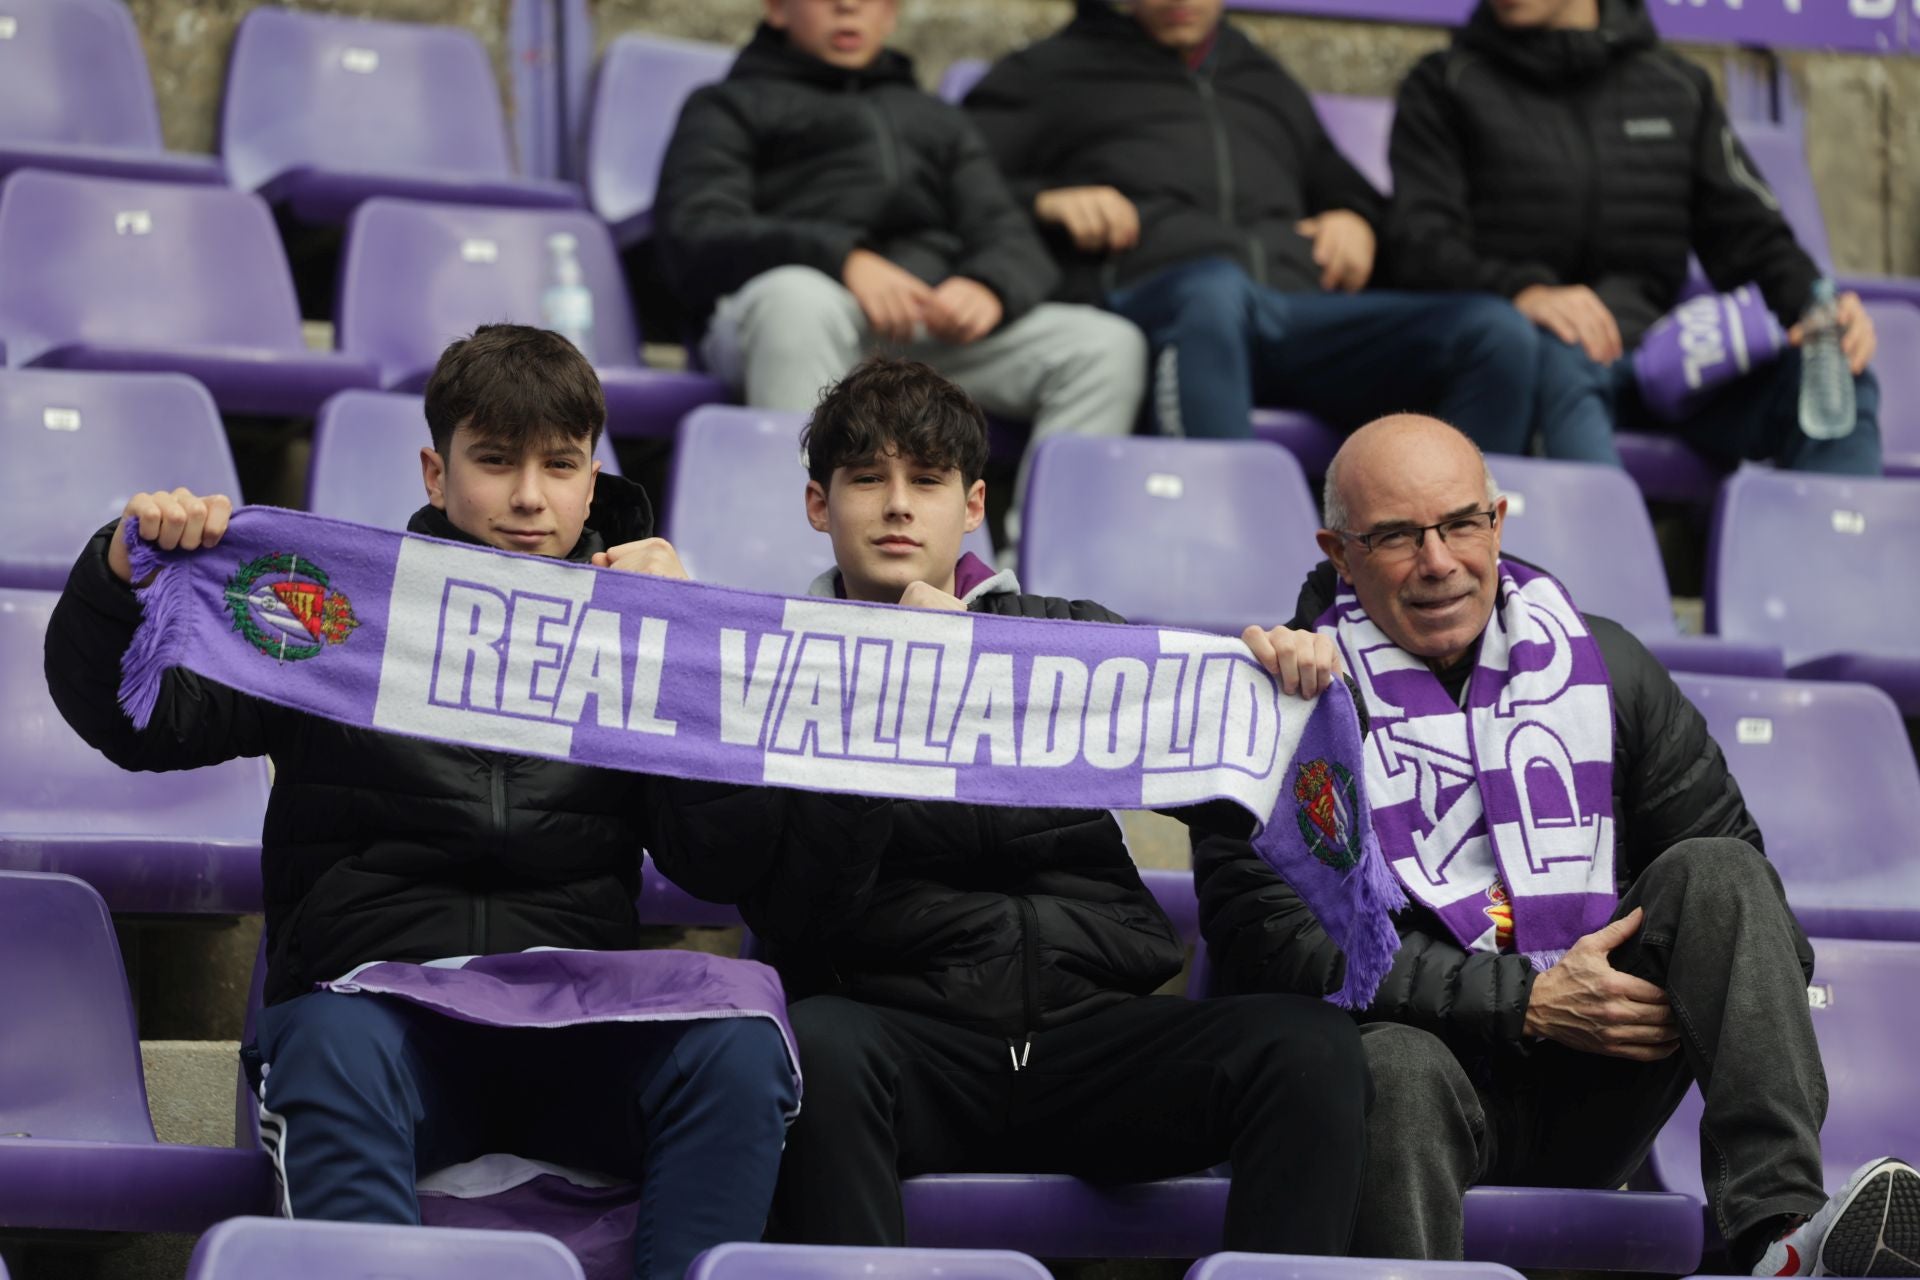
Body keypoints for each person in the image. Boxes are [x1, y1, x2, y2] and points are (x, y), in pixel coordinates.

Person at [42, 325, 827, 1280]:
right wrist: (116, 576)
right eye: (494, 462)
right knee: (333, 1044)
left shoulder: (641, 633)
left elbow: (722, 862)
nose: (530, 497)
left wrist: (687, 667)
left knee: (739, 1041)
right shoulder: (340, 614)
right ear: (434, 470)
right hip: (381, 1013)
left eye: (560, 465)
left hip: (574, 1021)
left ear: (592, 479)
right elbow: (143, 724)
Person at [658, 355, 1373, 1254]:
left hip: (1096, 1045)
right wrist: (888, 698)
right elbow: (800, 914)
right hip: (904, 1047)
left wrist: (1283, 695)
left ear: (973, 505)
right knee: (824, 1049)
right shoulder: (780, 670)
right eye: (866, 480)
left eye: (926, 480)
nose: (896, 506)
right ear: (818, 505)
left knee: (1308, 1052)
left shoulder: (1064, 636)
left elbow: (1239, 797)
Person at [1196, 412, 1918, 1274]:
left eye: (1462, 524)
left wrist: (1645, 996)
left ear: (1497, 521)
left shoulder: (1604, 664)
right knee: (1390, 1068)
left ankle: (1780, 1244)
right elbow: (1275, 944)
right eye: (1396, 536)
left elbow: (1751, 909)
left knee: (1721, 879)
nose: (1439, 562)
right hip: (1406, 1093)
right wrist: (1528, 1000)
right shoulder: (1280, 706)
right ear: (1338, 550)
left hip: (1596, 1074)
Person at [654, 0, 1146, 543]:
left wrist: (989, 284)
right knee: (796, 300)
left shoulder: (934, 117)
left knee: (1107, 346)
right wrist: (843, 259)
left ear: (892, 15)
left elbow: (1008, 232)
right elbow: (695, 235)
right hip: (793, 320)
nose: (849, 8)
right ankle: (799, 559)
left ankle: (1032, 574)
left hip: (925, 327)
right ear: (776, 9)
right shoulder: (726, 106)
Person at [962, 0, 1540, 445]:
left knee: (1494, 332)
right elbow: (951, 186)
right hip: (1160, 308)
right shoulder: (1049, 71)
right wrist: (1046, 201)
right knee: (1211, 291)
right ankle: (1229, 554)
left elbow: (1336, 178)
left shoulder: (1259, 76)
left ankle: (1464, 575)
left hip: (1293, 315)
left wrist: (1354, 217)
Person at [1386, 0, 1880, 472]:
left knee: (1837, 374)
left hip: (1660, 362)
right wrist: (1523, 293)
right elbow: (1419, 244)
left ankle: (1844, 558)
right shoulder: (1444, 82)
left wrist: (1818, 308)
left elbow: (1754, 239)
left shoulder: (1677, 87)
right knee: (1565, 360)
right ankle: (1603, 560)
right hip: (1538, 360)